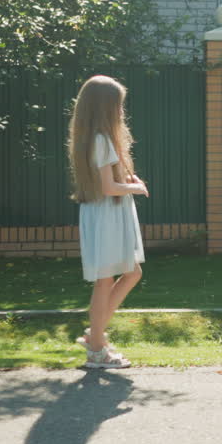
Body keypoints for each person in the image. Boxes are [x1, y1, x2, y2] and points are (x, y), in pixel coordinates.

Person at [67, 75, 149, 368]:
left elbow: (108, 181)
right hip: (106, 215)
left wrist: (126, 179)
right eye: (117, 105)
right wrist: (136, 188)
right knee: (107, 279)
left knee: (129, 272)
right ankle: (97, 349)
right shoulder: (101, 140)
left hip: (105, 213)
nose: (120, 111)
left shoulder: (94, 139)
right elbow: (108, 188)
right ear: (104, 108)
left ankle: (96, 334)